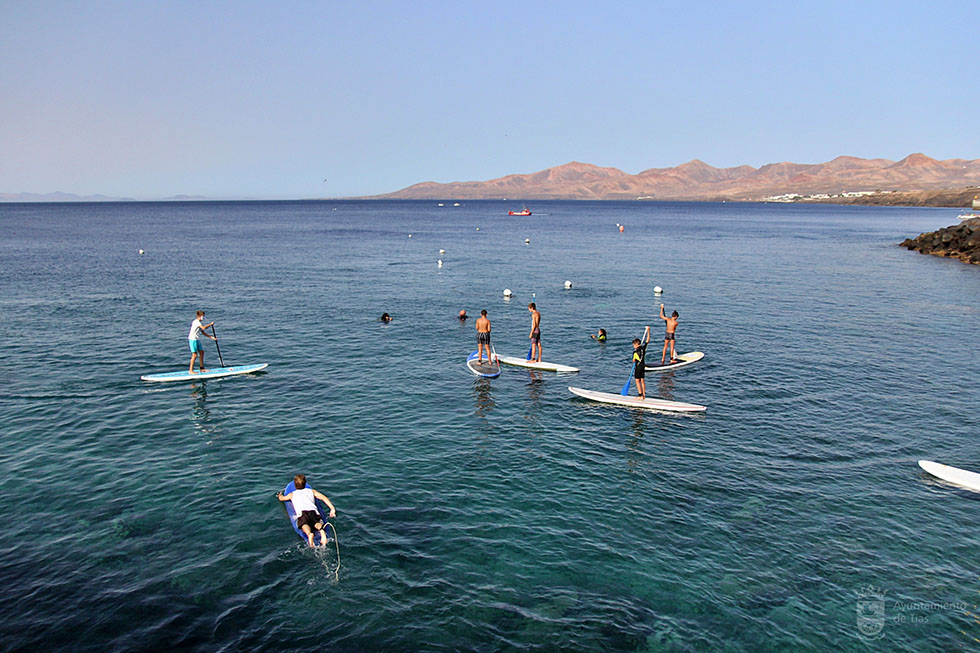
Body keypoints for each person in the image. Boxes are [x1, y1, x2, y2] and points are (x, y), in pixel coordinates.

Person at [277, 474, 337, 548]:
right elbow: (323, 498)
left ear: (295, 486)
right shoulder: (311, 491)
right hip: (313, 512)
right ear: (305, 483)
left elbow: (282, 499)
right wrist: (332, 508)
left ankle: (309, 534)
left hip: (302, 514)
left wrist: (280, 496)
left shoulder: (292, 494)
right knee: (316, 523)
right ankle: (321, 531)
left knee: (304, 525)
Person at [188, 310, 216, 374]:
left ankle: (202, 368)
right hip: (193, 340)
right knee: (194, 355)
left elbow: (203, 332)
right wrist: (210, 324)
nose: (203, 318)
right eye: (203, 316)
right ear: (200, 316)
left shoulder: (199, 323)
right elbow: (203, 328)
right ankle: (190, 370)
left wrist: (212, 337)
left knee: (202, 352)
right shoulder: (196, 322)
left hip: (197, 339)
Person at [632, 326, 651, 400]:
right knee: (642, 381)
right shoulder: (643, 348)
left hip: (638, 366)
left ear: (636, 344)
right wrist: (648, 331)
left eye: (634, 345)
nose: (633, 346)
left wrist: (634, 359)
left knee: (637, 381)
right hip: (643, 366)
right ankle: (643, 395)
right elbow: (648, 340)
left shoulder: (635, 352)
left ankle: (640, 395)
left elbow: (634, 360)